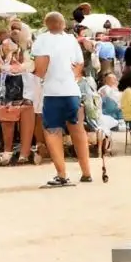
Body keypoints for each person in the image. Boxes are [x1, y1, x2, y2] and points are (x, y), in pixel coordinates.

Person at [31, 12, 92, 187]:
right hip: (71, 91)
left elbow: (41, 67)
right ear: (63, 24)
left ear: (47, 24)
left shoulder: (42, 40)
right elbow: (80, 64)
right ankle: (86, 172)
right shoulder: (71, 39)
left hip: (52, 92)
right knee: (77, 130)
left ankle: (62, 174)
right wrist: (71, 76)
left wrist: (33, 73)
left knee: (52, 132)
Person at [0, 38, 37, 165]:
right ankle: (8, 152)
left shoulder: (28, 53)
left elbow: (30, 66)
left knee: (26, 121)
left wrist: (19, 66)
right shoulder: (1, 55)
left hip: (27, 92)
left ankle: (24, 153)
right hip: (8, 94)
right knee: (7, 122)